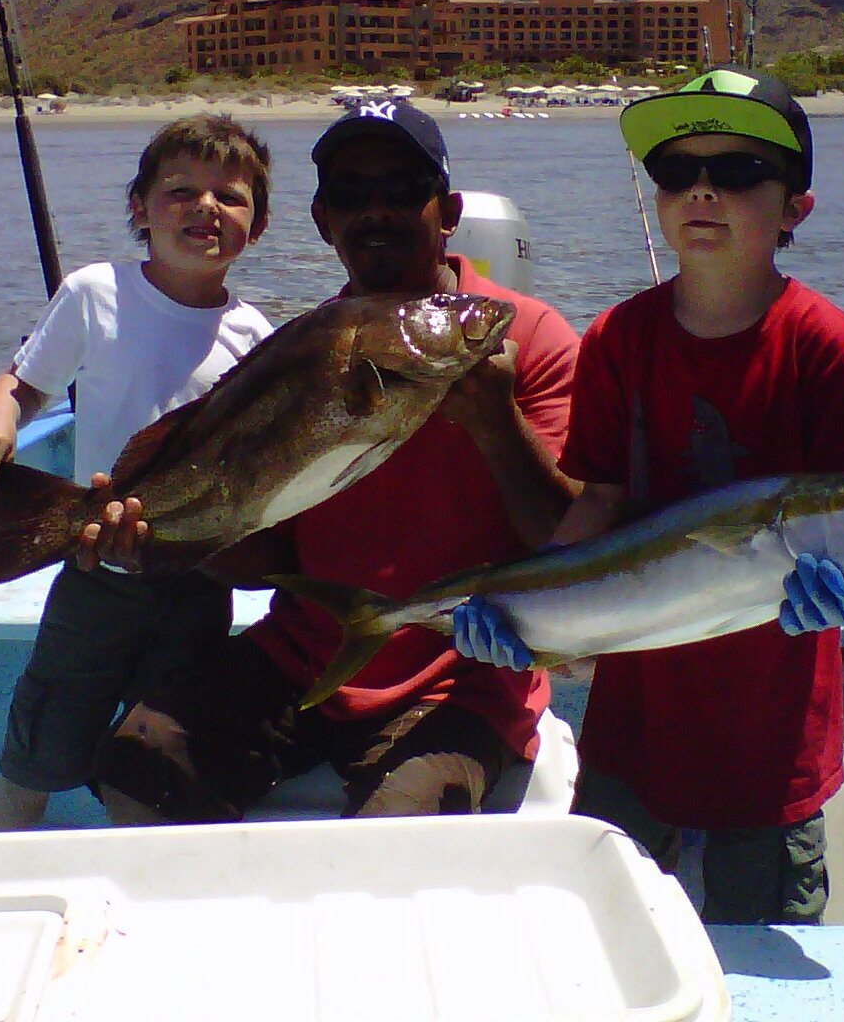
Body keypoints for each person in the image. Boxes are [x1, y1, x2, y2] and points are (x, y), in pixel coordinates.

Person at [455, 66, 844, 924]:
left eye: (737, 172)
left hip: (771, 732)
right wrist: (522, 604)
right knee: (601, 930)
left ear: (794, 208)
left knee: (760, 945)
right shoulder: (621, 338)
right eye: (677, 172)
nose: (703, 189)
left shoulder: (824, 345)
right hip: (637, 714)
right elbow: (597, 507)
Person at [84, 97, 581, 824]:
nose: (373, 210)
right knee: (136, 766)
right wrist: (170, 537)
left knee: (398, 831)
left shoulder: (525, 338)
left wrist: (495, 421)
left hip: (465, 677)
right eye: (350, 194)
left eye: (401, 190)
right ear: (323, 222)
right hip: (305, 653)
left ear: (446, 210)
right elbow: (269, 555)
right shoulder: (308, 350)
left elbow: (570, 544)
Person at [0, 113, 275, 831]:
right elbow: (25, 381)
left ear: (259, 223)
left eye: (231, 196)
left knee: (157, 763)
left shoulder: (259, 339)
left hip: (198, 584)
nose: (206, 208)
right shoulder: (95, 292)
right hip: (96, 573)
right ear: (140, 208)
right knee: (37, 746)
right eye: (181, 191)